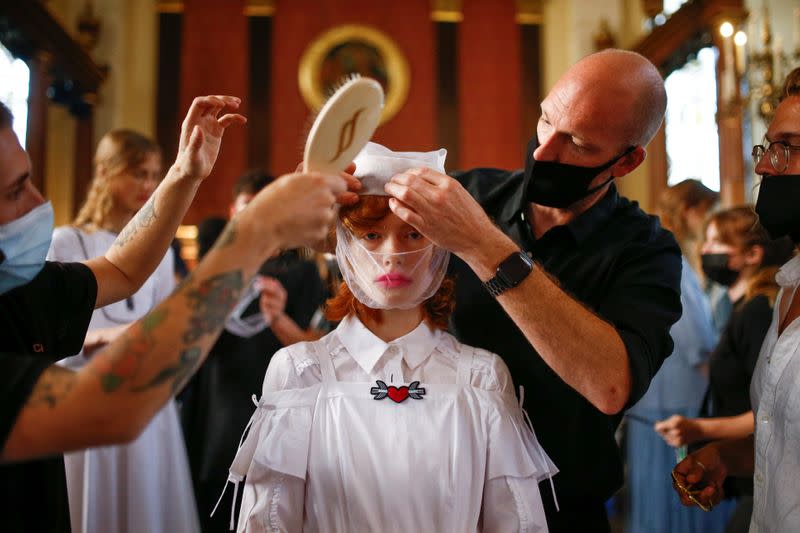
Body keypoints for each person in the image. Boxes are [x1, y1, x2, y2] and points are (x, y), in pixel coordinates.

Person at [0, 97, 353, 532]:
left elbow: (119, 269)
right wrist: (258, 230)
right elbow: (108, 408)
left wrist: (184, 174)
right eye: (15, 190)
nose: (38, 201)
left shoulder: (15, 290)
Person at [383, 49, 682, 531]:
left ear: (626, 161)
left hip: (559, 506)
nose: (544, 151)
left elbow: (611, 384)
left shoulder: (646, 249)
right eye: (546, 120)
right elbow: (356, 238)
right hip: (432, 494)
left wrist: (484, 246)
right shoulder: (471, 193)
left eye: (578, 144)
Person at [223, 142, 556, 532]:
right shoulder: (302, 372)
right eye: (371, 236)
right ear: (345, 244)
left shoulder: (480, 377)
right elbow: (269, 521)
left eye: (413, 235)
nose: (392, 255)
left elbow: (514, 524)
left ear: (439, 245)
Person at [46, 129, 198, 533]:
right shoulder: (69, 241)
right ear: (104, 172)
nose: (148, 186)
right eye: (137, 174)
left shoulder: (160, 251)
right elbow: (47, 331)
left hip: (145, 401)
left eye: (153, 175)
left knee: (147, 509)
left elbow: (167, 324)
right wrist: (105, 338)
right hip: (86, 396)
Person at [672, 66, 800, 532]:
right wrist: (728, 457)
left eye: (787, 148)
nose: (765, 165)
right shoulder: (787, 289)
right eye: (767, 147)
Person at [180, 170, 326, 531]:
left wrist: (276, 318)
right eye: (250, 208)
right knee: (212, 485)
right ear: (234, 210)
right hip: (218, 393)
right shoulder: (217, 261)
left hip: (275, 393)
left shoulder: (302, 270)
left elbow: (316, 353)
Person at [657, 207, 794, 532]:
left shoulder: (759, 310)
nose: (705, 251)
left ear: (752, 254)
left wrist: (702, 430)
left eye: (717, 242)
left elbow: (770, 413)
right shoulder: (744, 306)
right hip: (754, 473)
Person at [625, 179, 729, 533]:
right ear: (689, 211)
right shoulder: (674, 264)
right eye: (708, 212)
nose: (709, 223)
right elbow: (698, 345)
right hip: (676, 415)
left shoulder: (654, 256)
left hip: (657, 409)